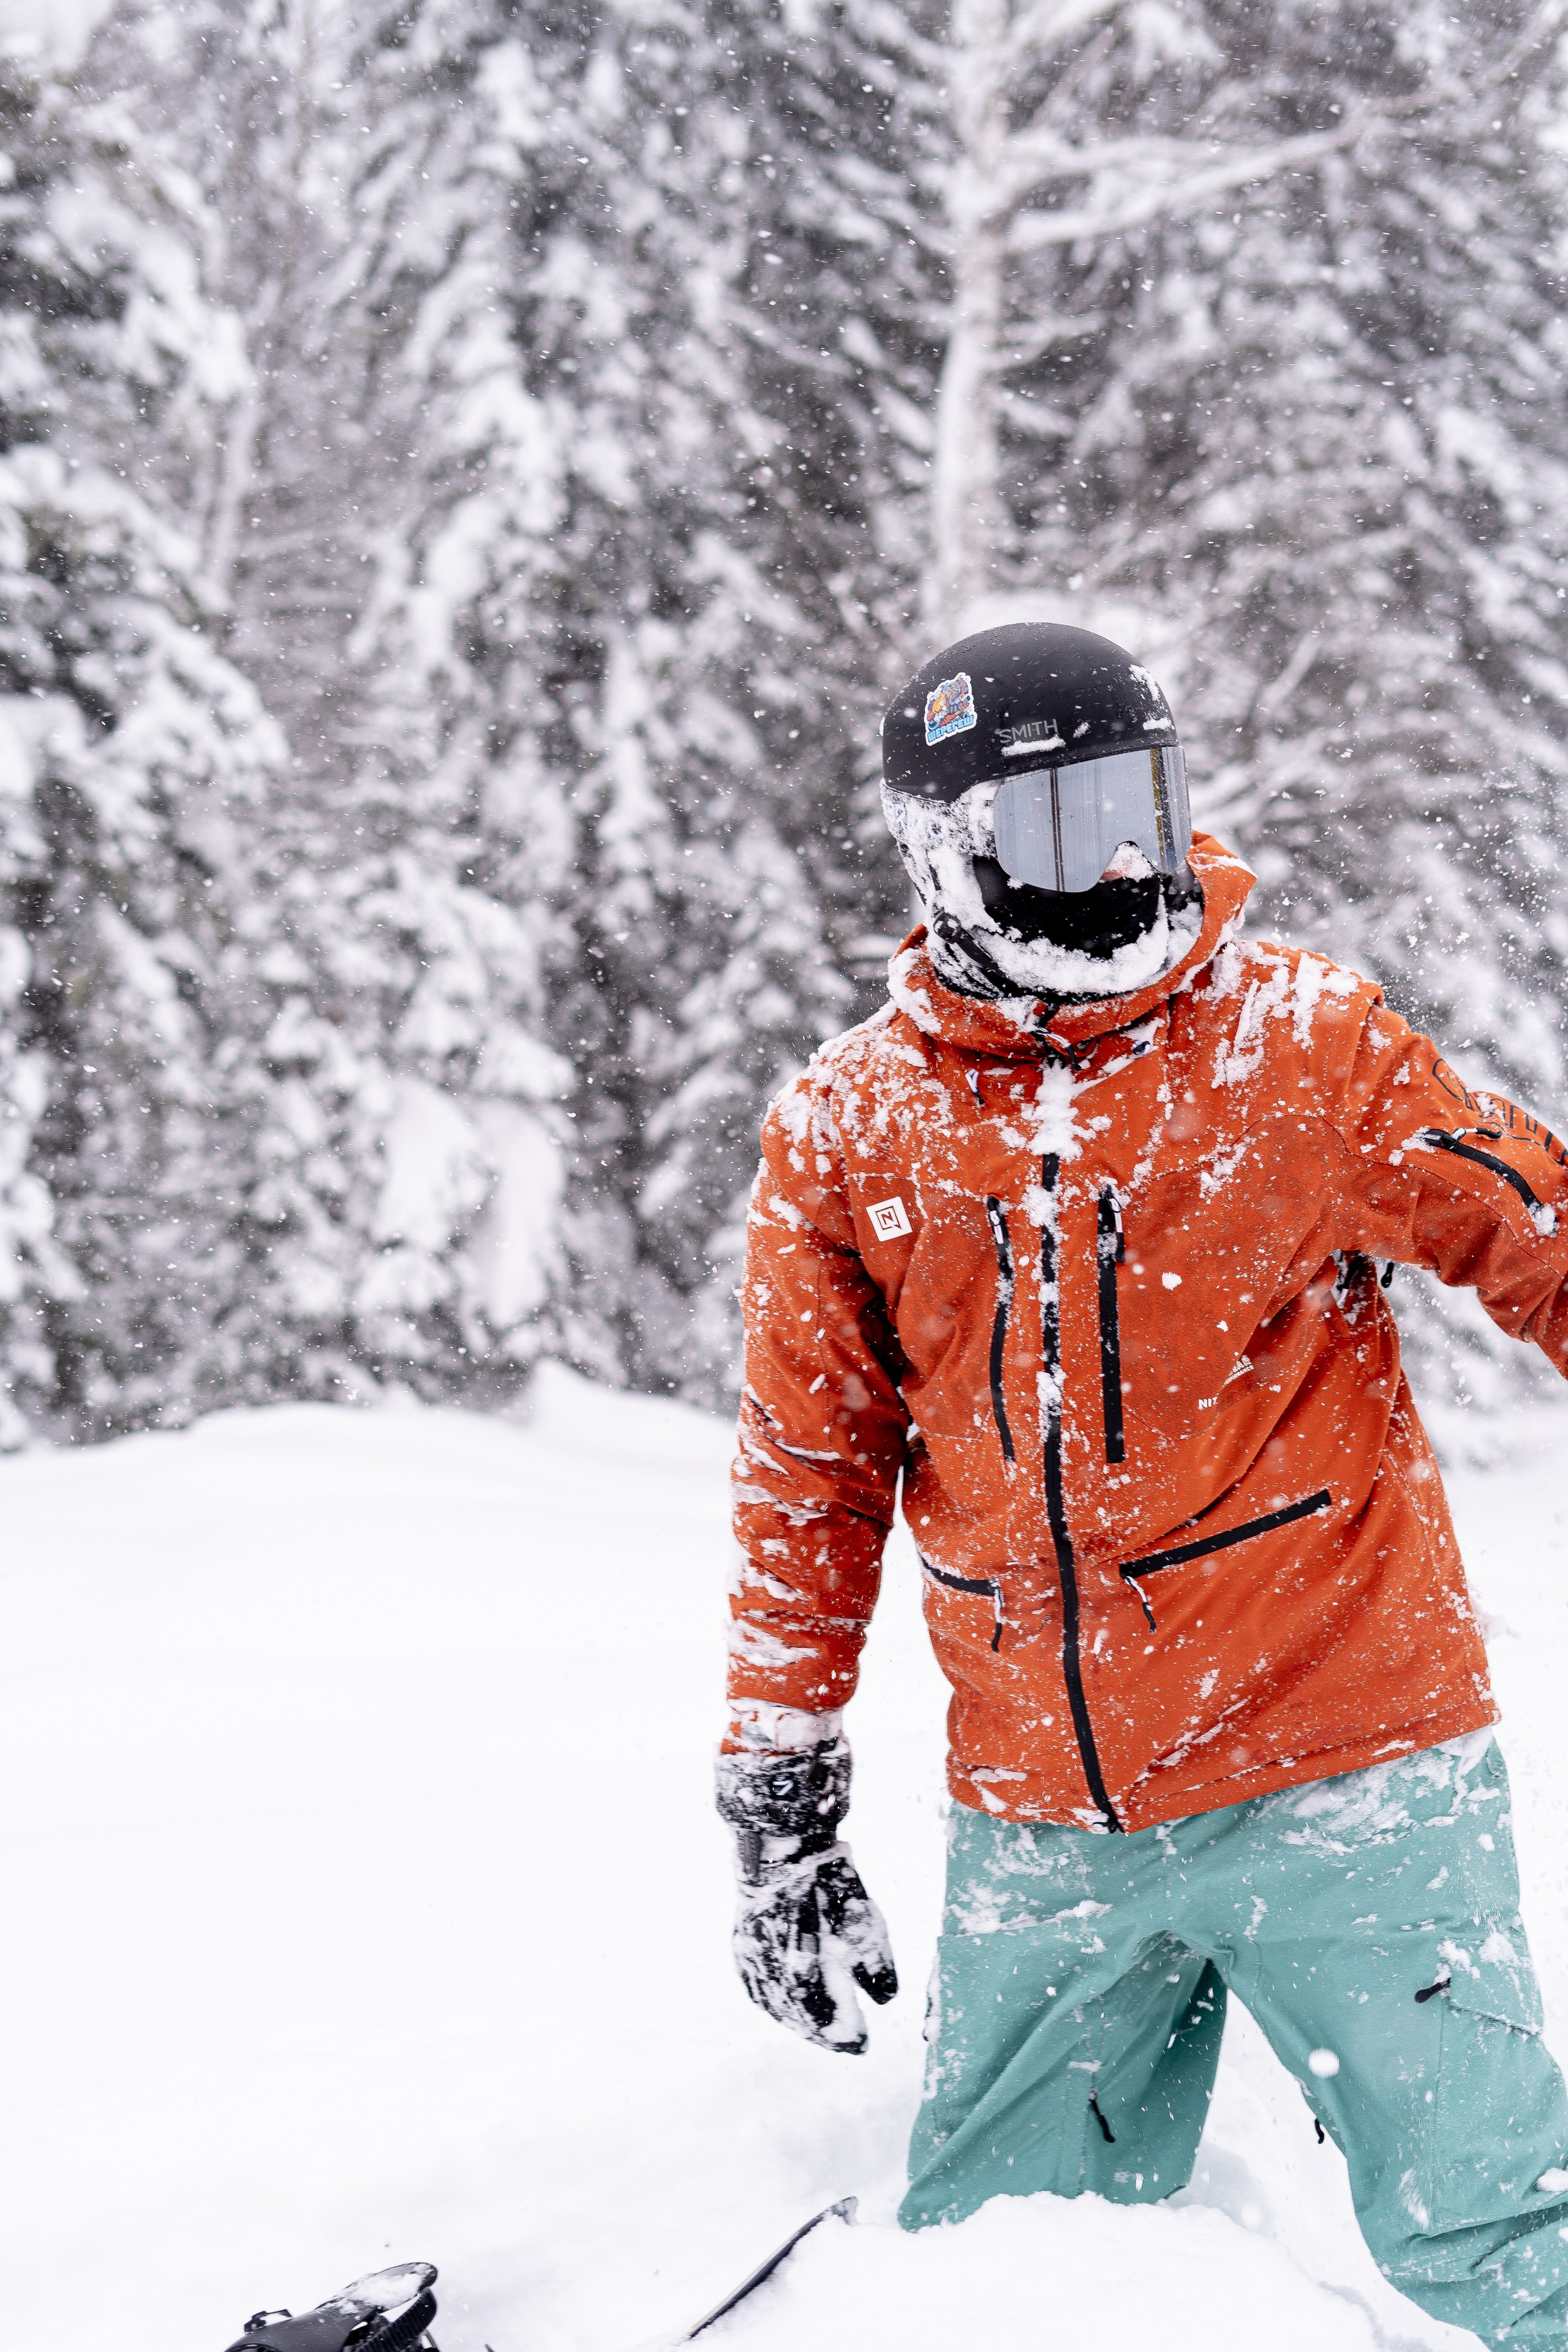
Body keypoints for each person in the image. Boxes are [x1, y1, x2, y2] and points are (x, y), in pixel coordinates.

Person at [714, 621, 1568, 2346]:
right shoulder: (852, 1128)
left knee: (1505, 2247)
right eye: (1054, 828)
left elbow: (1542, 1232)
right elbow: (809, 1478)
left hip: (1350, 1769)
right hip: (1046, 1821)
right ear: (945, 853)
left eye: (1140, 810)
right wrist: (780, 1790)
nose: (1115, 864)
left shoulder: (1303, 1043)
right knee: (999, 2275)